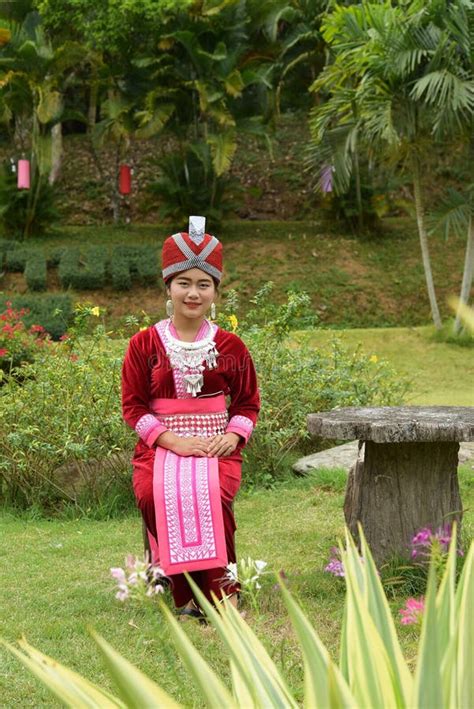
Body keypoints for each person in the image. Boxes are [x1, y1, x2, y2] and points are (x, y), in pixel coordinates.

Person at [121, 216, 260, 618]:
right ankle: (184, 590)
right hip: (161, 444)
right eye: (184, 283)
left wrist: (232, 438)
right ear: (168, 287)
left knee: (213, 493)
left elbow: (247, 403)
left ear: (216, 291)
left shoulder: (231, 346)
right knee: (153, 492)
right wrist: (172, 441)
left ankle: (222, 593)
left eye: (204, 284)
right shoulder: (143, 344)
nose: (193, 293)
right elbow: (133, 406)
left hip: (217, 441)